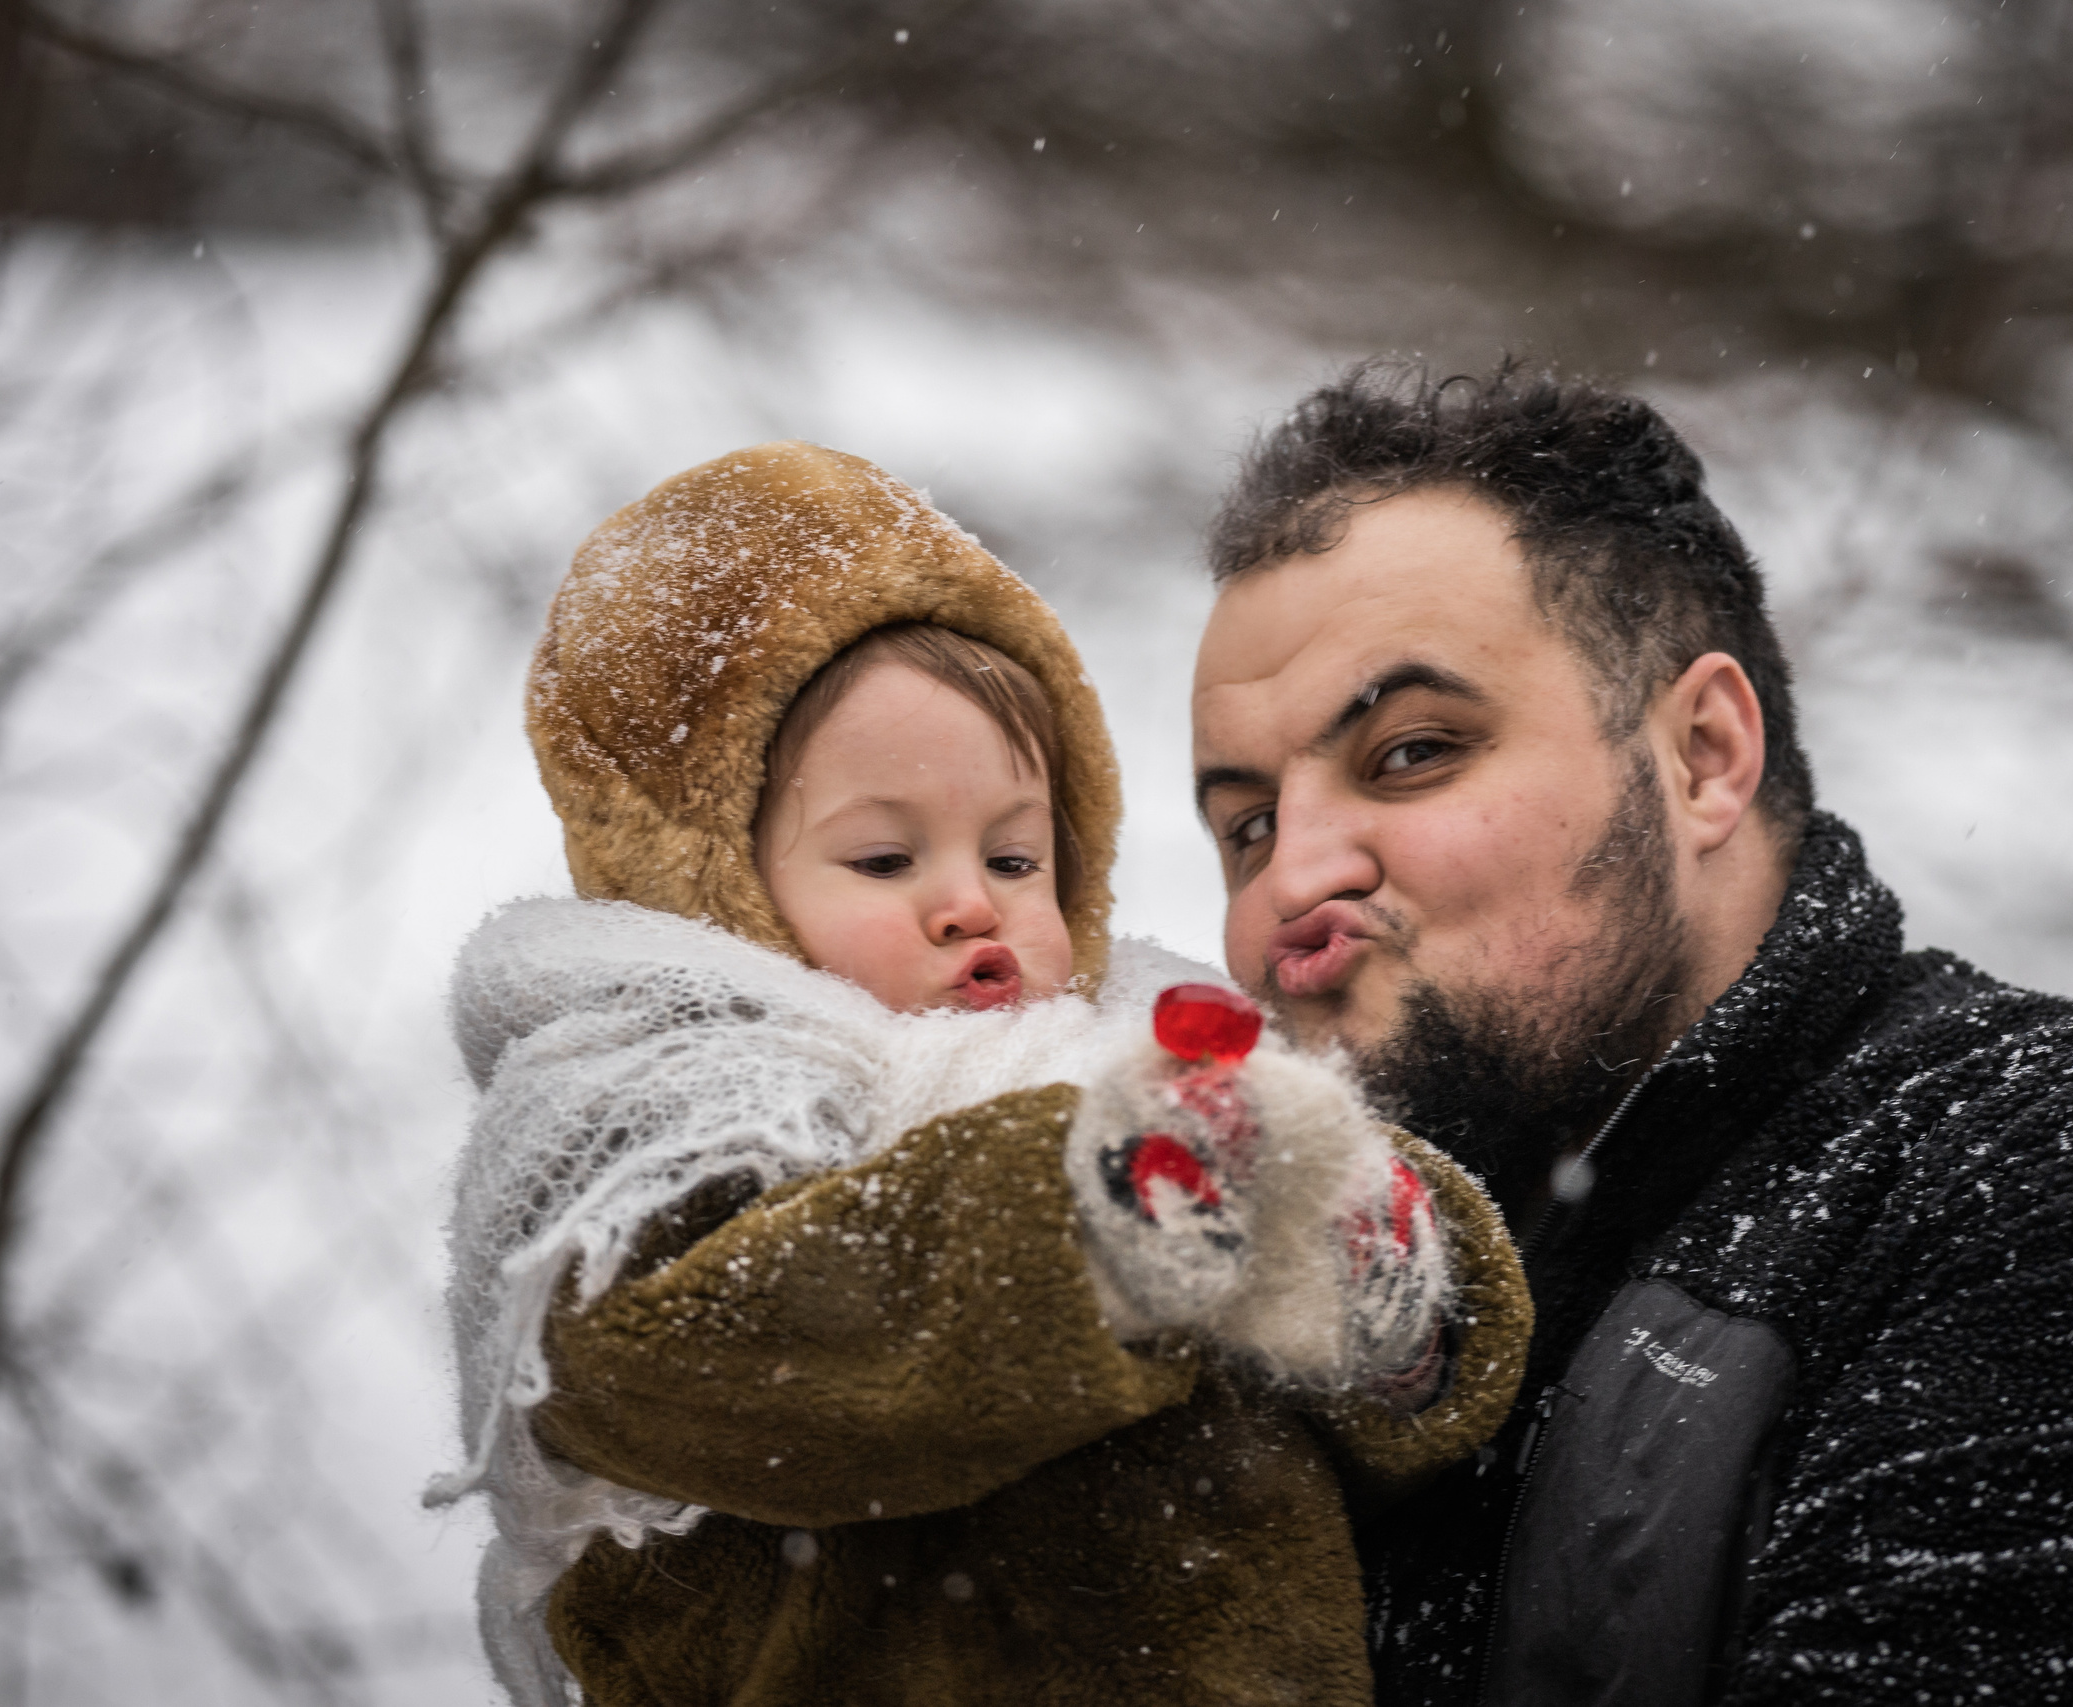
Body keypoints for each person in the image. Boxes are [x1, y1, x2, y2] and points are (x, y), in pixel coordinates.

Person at [1188, 362, 2073, 1706]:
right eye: (1247, 826)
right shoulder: (1303, 1319)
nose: (1291, 880)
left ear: (1703, 753)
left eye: (1411, 751)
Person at [428, 441, 1530, 1707]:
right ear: (714, 888)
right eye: (884, 861)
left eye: (1014, 859)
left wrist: (1379, 1287)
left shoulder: (1145, 1052)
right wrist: (1082, 1219)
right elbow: (676, 1360)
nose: (971, 904)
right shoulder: (657, 1106)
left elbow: (1360, 1466)